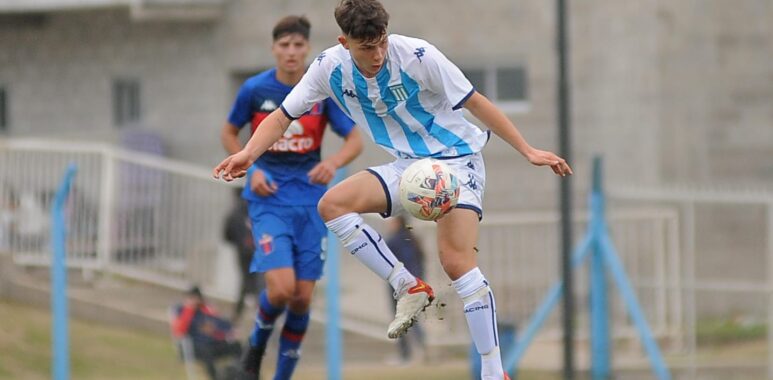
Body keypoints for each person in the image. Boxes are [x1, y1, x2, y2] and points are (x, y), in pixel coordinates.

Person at [213, 2, 573, 379]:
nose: (377, 54)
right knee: (333, 204)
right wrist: (248, 154)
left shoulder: (419, 56)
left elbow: (476, 102)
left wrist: (528, 150)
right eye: (367, 47)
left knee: (456, 263)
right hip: (407, 165)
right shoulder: (328, 68)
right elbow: (282, 117)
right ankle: (407, 285)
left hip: (456, 161)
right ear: (344, 43)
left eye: (381, 42)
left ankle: (493, 371)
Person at [219, 15, 363, 380]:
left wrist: (333, 162)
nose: (291, 52)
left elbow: (355, 139)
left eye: (298, 45)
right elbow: (229, 132)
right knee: (281, 290)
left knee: (301, 297)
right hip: (269, 200)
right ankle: (256, 346)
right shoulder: (255, 90)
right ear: (274, 49)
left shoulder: (319, 92)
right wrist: (253, 168)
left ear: (307, 49)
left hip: (311, 202)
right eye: (284, 45)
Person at [172, 286, 243, 380]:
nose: (195, 301)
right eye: (192, 298)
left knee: (237, 346)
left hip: (212, 344)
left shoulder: (206, 311)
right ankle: (215, 378)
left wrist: (230, 331)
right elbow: (179, 331)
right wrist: (189, 310)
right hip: (194, 346)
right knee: (206, 351)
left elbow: (220, 324)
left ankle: (239, 374)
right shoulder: (181, 310)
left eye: (196, 298)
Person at [384, 215, 427, 365]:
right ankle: (422, 350)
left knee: (402, 319)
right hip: (416, 284)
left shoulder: (393, 241)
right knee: (412, 319)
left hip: (399, 287)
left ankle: (406, 355)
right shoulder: (413, 239)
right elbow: (420, 263)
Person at [222, 188, 261, 323]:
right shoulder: (257, 209)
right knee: (256, 280)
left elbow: (227, 235)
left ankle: (239, 313)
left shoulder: (234, 213)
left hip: (242, 252)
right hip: (258, 251)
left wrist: (239, 243)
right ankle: (256, 310)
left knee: (246, 280)